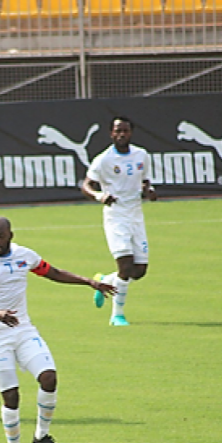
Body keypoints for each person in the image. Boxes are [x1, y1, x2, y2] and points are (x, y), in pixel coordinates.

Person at [0, 216, 116, 443]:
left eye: (0, 235)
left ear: (11, 234)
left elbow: (53, 273)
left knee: (49, 377)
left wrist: (89, 282)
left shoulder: (24, 256)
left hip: (22, 329)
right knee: (11, 396)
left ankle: (41, 436)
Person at [81, 116, 157, 326]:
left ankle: (105, 281)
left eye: (125, 131)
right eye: (118, 131)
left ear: (131, 133)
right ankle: (117, 315)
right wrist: (100, 196)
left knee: (139, 271)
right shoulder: (104, 159)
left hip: (136, 216)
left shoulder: (141, 155)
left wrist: (148, 191)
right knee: (125, 267)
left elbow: (145, 180)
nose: (121, 134)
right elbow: (86, 185)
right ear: (111, 134)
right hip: (116, 216)